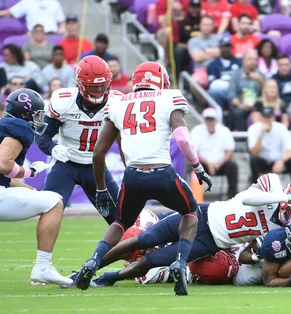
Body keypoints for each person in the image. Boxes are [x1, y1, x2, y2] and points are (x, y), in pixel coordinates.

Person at [74, 61, 213, 295]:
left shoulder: (117, 103)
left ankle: (93, 261)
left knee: (121, 222)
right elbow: (181, 137)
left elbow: (98, 153)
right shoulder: (169, 97)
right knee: (191, 213)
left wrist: (100, 190)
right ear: (161, 80)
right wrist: (198, 167)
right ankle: (179, 262)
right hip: (162, 173)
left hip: (133, 176)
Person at [89, 175, 291, 288]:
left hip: (212, 242)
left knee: (156, 259)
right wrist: (283, 198)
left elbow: (252, 249)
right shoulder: (273, 186)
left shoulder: (285, 229)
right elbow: (247, 197)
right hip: (204, 215)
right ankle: (91, 266)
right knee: (145, 239)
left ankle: (110, 278)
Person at [35, 56, 121, 224]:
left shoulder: (117, 102)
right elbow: (41, 136)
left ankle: (132, 251)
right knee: (49, 209)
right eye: (93, 87)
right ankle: (42, 252)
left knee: (120, 217)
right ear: (80, 85)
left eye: (102, 86)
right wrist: (53, 149)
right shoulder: (63, 101)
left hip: (96, 166)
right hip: (66, 164)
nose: (99, 92)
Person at [0, 88, 71, 286]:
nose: (39, 120)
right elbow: (4, 165)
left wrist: (26, 188)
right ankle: (43, 267)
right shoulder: (18, 126)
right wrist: (30, 171)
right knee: (54, 202)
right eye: (38, 115)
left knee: (42, 197)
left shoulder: (4, 125)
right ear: (25, 113)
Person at [192, 107, 238, 199]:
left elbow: (229, 151)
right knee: (194, 167)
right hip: (202, 164)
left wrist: (219, 163)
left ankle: (232, 197)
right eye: (208, 119)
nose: (210, 122)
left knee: (233, 166)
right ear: (204, 120)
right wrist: (208, 163)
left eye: (211, 119)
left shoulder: (224, 131)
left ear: (216, 120)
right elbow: (193, 152)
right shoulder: (196, 131)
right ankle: (196, 197)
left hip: (221, 164)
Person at [248, 107, 291, 181]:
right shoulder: (254, 128)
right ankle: (256, 186)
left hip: (278, 160)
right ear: (261, 117)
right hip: (262, 161)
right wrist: (261, 134)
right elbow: (254, 152)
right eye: (264, 117)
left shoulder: (281, 128)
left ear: (273, 118)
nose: (267, 119)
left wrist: (281, 160)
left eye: (269, 117)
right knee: (254, 159)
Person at [228, 49, 264, 131]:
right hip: (241, 104)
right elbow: (231, 93)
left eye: (255, 59)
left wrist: (260, 81)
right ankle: (243, 137)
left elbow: (268, 93)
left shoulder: (261, 75)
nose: (253, 62)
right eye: (250, 59)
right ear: (243, 60)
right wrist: (241, 105)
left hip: (257, 105)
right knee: (238, 112)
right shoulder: (236, 74)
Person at [207, 37, 242, 108]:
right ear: (220, 48)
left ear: (231, 47)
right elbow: (212, 82)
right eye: (224, 47)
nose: (226, 49)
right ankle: (217, 115)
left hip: (236, 89)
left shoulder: (239, 62)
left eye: (228, 46)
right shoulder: (213, 64)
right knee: (214, 91)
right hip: (221, 90)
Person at [188, 16, 221, 87]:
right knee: (194, 82)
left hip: (219, 68)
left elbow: (222, 52)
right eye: (204, 24)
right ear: (200, 25)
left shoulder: (219, 38)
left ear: (213, 26)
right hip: (202, 69)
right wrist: (215, 53)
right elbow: (197, 57)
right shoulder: (193, 41)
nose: (206, 27)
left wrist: (204, 51)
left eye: (209, 25)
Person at [173, 0, 202, 83]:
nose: (195, 10)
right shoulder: (181, 22)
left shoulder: (203, 21)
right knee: (179, 52)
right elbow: (176, 43)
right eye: (193, 7)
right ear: (189, 8)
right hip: (186, 49)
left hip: (201, 49)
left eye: (197, 8)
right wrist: (191, 48)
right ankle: (179, 80)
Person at [0, 0, 65, 34]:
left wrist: (61, 30)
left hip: (52, 34)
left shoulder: (54, 3)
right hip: (33, 35)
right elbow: (9, 12)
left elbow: (61, 23)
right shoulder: (27, 2)